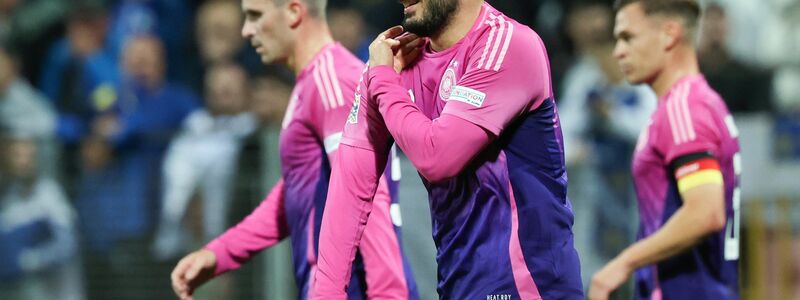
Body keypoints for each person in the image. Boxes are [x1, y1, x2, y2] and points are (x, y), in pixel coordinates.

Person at [313, 0, 583, 299]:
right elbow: (350, 182)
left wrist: (383, 81)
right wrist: (326, 292)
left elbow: (437, 157)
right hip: (456, 285)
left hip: (528, 287)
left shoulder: (507, 43)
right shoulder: (394, 61)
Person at [169, 0, 418, 299]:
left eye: (255, 16)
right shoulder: (315, 82)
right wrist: (220, 254)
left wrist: (390, 294)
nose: (247, 31)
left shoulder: (333, 83)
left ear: (294, 12)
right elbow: (299, 189)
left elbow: (368, 197)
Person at [588, 1, 741, 299]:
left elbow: (706, 212)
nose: (618, 51)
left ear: (669, 34)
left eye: (628, 37)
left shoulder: (684, 107)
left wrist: (622, 264)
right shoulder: (695, 102)